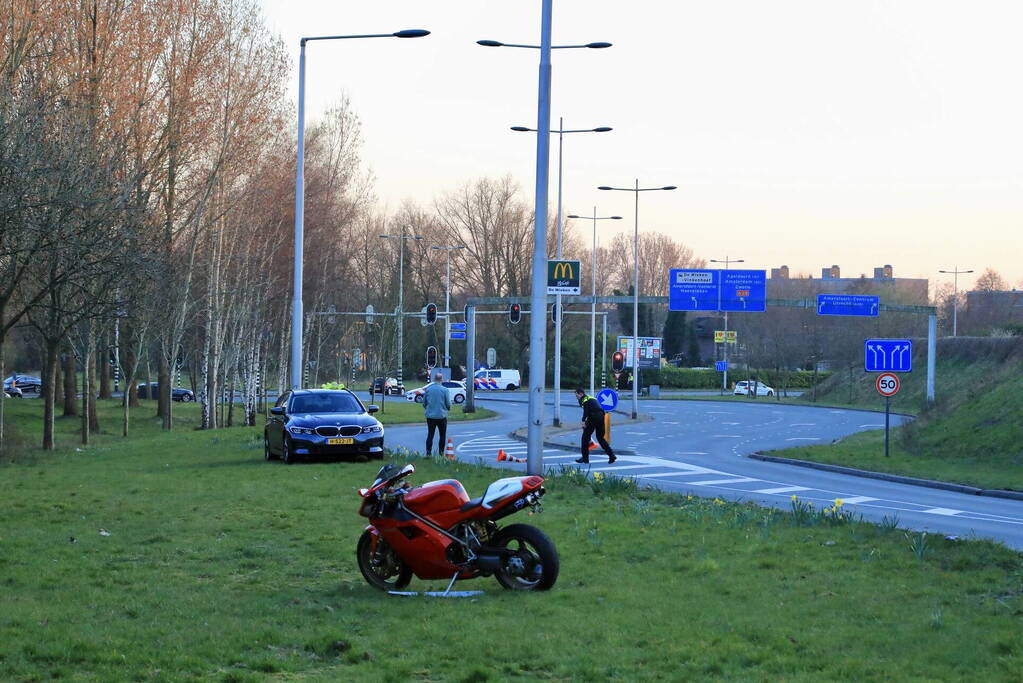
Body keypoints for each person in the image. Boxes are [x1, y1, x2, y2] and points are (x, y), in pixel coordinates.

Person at [574, 388, 615, 465]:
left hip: (593, 417)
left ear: (581, 394)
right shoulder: (591, 398)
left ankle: (585, 458)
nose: (576, 397)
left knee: (585, 438)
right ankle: (612, 455)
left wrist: (583, 421)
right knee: (600, 438)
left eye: (577, 395)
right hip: (601, 417)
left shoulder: (585, 399)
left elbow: (586, 411)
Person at [422, 371, 451, 456]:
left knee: (430, 434)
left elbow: (424, 403)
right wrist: (447, 409)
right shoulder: (445, 390)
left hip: (430, 416)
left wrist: (428, 408)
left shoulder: (428, 389)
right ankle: (441, 453)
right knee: (442, 435)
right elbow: (448, 404)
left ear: (434, 379)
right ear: (441, 380)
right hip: (442, 416)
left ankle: (428, 452)